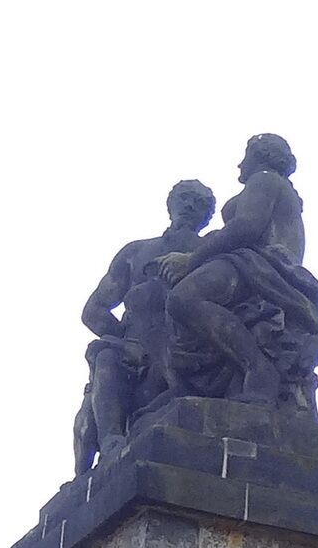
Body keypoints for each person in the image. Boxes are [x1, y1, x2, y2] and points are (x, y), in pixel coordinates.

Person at [162, 134, 318, 410]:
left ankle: (259, 370)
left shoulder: (263, 178)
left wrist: (191, 260)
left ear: (261, 157)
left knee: (183, 298)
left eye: (246, 156)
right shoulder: (277, 186)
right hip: (259, 263)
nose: (240, 165)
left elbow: (247, 227)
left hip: (263, 265)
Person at [74, 178, 215, 470]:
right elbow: (94, 310)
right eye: (185, 198)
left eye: (200, 203)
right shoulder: (136, 253)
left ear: (207, 216)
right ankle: (113, 440)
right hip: (136, 353)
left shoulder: (212, 254)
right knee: (107, 357)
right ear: (171, 204)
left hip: (191, 355)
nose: (190, 206)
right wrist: (125, 341)